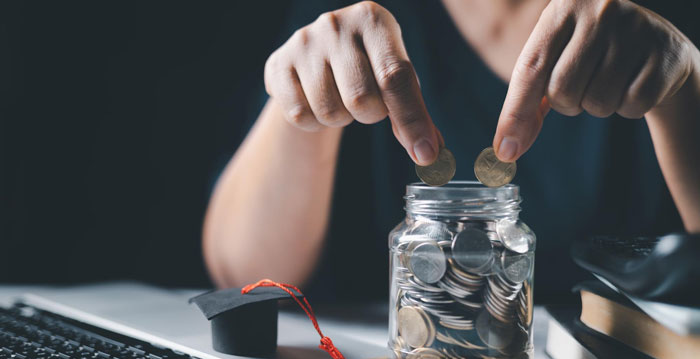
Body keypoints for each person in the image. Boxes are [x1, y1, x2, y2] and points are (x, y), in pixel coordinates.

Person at [202, 0, 700, 304]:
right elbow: (245, 276)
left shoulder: (661, 26)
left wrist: (687, 88)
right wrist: (307, 106)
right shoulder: (344, 19)